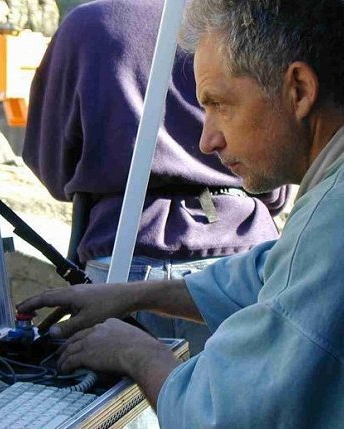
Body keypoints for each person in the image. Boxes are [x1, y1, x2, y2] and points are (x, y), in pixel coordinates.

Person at [18, 0, 344, 426]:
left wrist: (137, 352)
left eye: (219, 105)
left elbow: (229, 416)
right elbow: (274, 270)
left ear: (299, 89)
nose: (207, 140)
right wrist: (133, 295)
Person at [22, 0, 288, 355]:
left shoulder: (87, 25)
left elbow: (51, 163)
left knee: (117, 409)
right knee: (247, 408)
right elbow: (276, 165)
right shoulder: (241, 18)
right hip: (242, 256)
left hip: (121, 259)